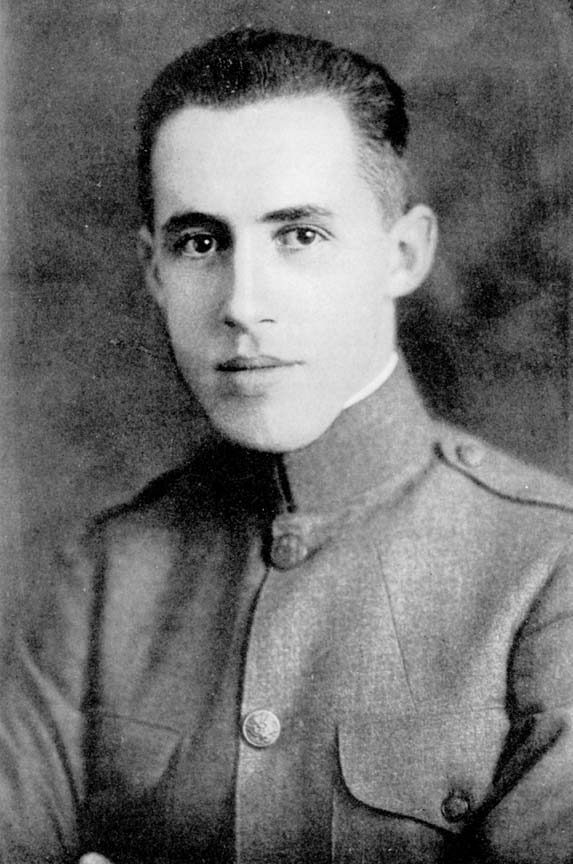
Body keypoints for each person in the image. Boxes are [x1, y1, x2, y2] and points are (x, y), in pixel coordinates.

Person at [2, 26, 573, 864]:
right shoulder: (105, 577)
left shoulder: (548, 569)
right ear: (155, 271)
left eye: (299, 235)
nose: (242, 303)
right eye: (200, 242)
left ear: (403, 253)